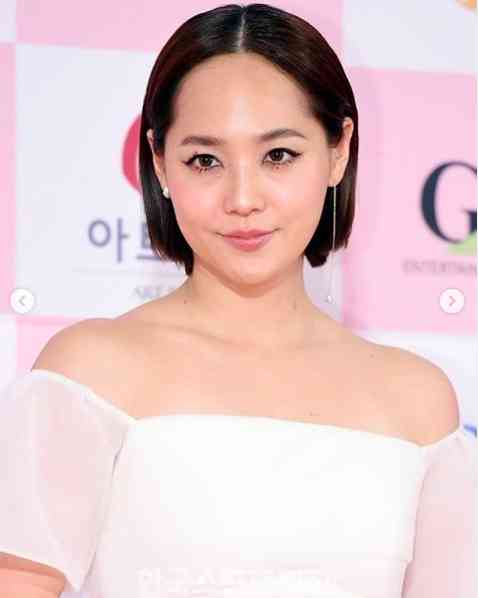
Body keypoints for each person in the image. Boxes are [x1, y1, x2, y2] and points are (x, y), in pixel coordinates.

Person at [1, 3, 476, 598]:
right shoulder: (88, 372)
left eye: (279, 155)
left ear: (339, 150)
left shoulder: (418, 402)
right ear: (159, 163)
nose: (243, 198)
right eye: (205, 160)